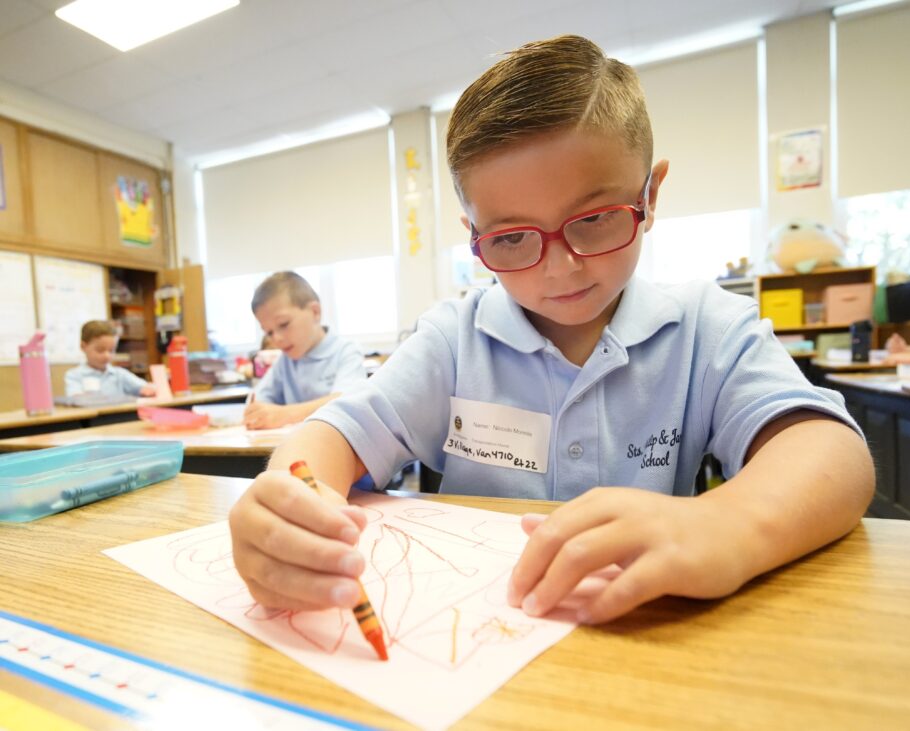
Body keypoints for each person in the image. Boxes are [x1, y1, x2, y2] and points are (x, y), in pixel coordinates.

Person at [229, 35, 874, 625]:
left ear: (651, 194)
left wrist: (731, 525)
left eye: (594, 219)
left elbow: (832, 455)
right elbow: (334, 436)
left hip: (643, 636)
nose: (560, 268)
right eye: (511, 238)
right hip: (476, 635)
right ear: (475, 235)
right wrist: (287, 502)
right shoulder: (454, 339)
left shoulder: (705, 326)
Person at [244, 271, 367, 430]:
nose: (277, 339)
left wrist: (285, 415)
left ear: (315, 312)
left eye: (283, 324)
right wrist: (257, 412)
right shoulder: (285, 361)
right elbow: (257, 400)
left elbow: (347, 403)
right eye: (269, 332)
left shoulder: (346, 351)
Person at [65, 320, 156, 399]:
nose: (107, 356)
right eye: (100, 350)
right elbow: (75, 399)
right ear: (83, 346)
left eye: (111, 350)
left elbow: (146, 387)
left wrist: (148, 390)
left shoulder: (119, 375)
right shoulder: (74, 376)